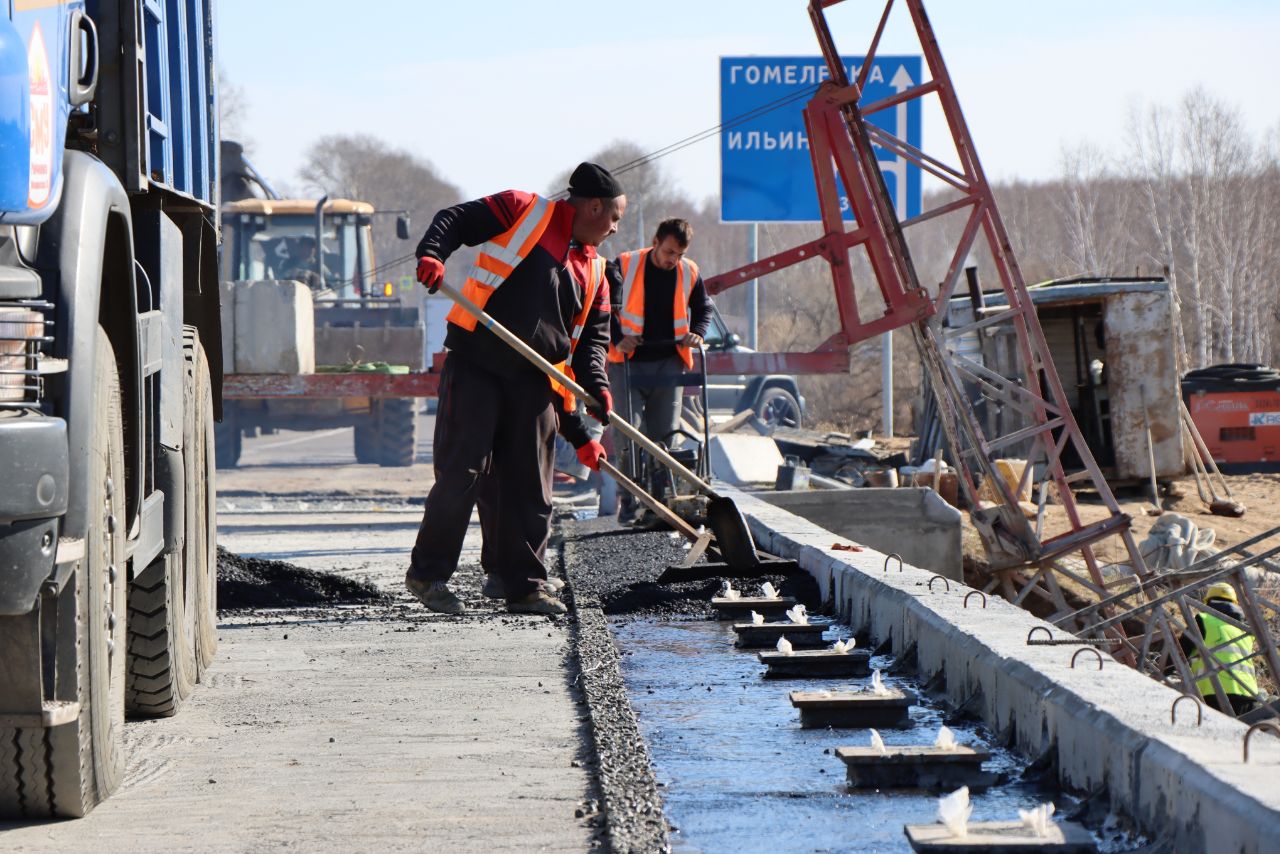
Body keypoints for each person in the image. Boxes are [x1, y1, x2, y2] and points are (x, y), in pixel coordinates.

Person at [405, 163, 623, 616]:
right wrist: (433, 254)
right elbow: (455, 220)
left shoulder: (599, 273)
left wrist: (590, 408)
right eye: (614, 217)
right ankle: (427, 575)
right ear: (594, 206)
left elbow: (589, 348)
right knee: (464, 472)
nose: (615, 228)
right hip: (478, 362)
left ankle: (523, 586)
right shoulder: (523, 209)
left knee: (530, 485)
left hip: (535, 382)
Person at [606, 218, 713, 525]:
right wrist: (618, 339)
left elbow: (703, 308)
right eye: (668, 252)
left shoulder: (689, 272)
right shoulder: (625, 265)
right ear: (655, 241)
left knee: (664, 436)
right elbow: (603, 308)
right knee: (628, 433)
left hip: (670, 361)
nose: (672, 260)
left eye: (678, 254)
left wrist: (697, 333)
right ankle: (629, 499)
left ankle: (660, 500)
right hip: (627, 362)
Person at [1180, 581, 1262, 716]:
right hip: (1249, 696)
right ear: (1235, 603)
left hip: (1214, 694)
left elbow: (1180, 652)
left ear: (1208, 602)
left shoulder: (1203, 619)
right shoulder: (1246, 630)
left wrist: (1160, 675)